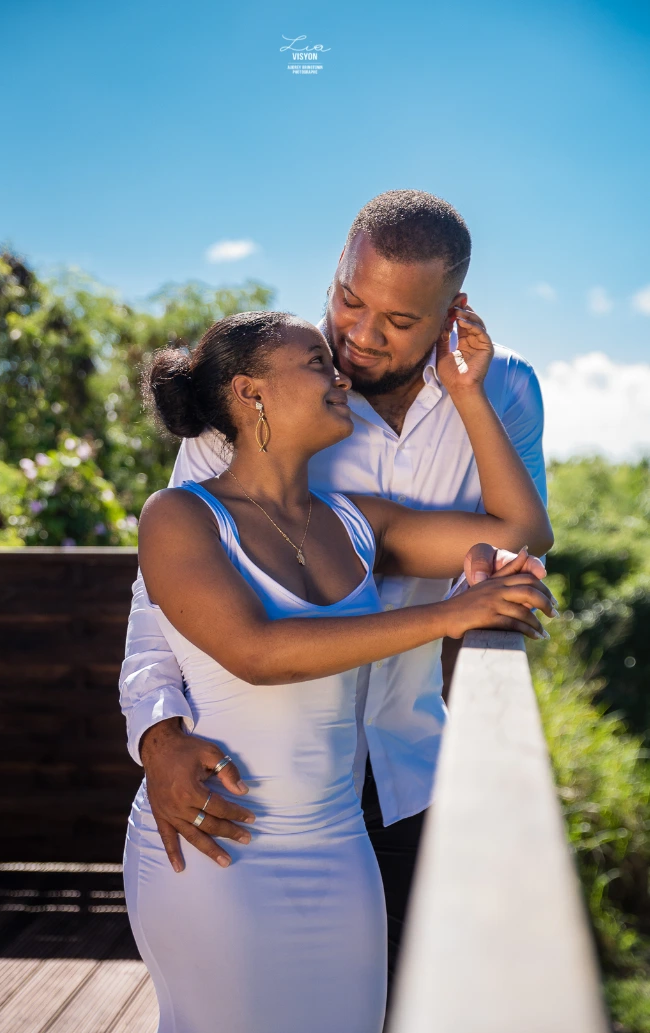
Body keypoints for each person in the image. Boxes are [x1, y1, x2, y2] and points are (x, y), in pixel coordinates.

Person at [119, 190, 551, 994]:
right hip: (238, 792)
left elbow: (522, 535)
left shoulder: (499, 394)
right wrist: (156, 736)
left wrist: (469, 396)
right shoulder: (251, 384)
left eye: (396, 321)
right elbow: (163, 610)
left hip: (396, 777)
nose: (355, 336)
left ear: (451, 313)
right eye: (349, 299)